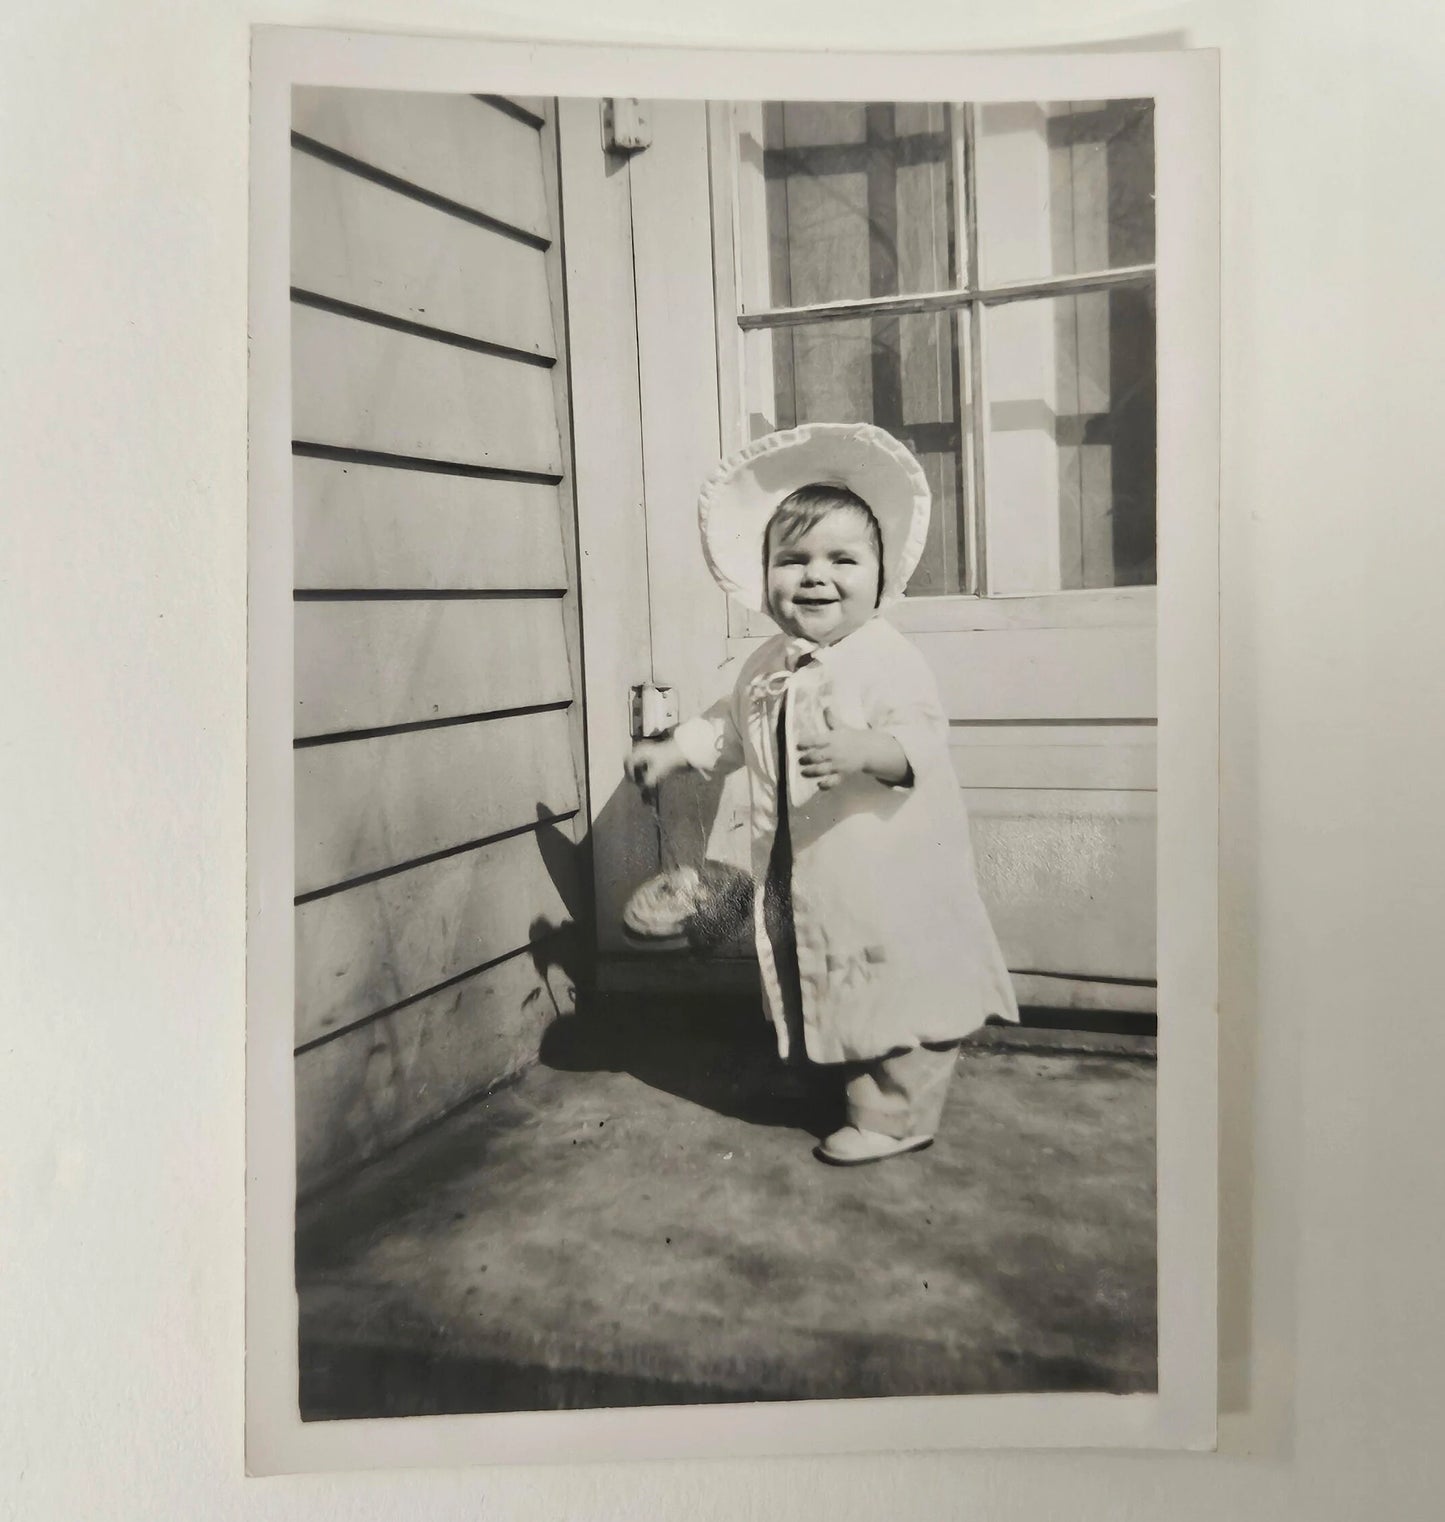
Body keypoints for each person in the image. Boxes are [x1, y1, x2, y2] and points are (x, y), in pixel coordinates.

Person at [627, 423, 1018, 1165]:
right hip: (809, 866)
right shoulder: (768, 664)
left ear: (879, 576)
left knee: (893, 983)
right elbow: (730, 725)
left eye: (842, 559)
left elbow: (923, 739)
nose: (815, 577)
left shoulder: (885, 660)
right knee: (828, 969)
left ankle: (897, 1113)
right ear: (762, 574)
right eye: (792, 560)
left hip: (886, 869)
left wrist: (869, 750)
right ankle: (845, 1080)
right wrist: (675, 751)